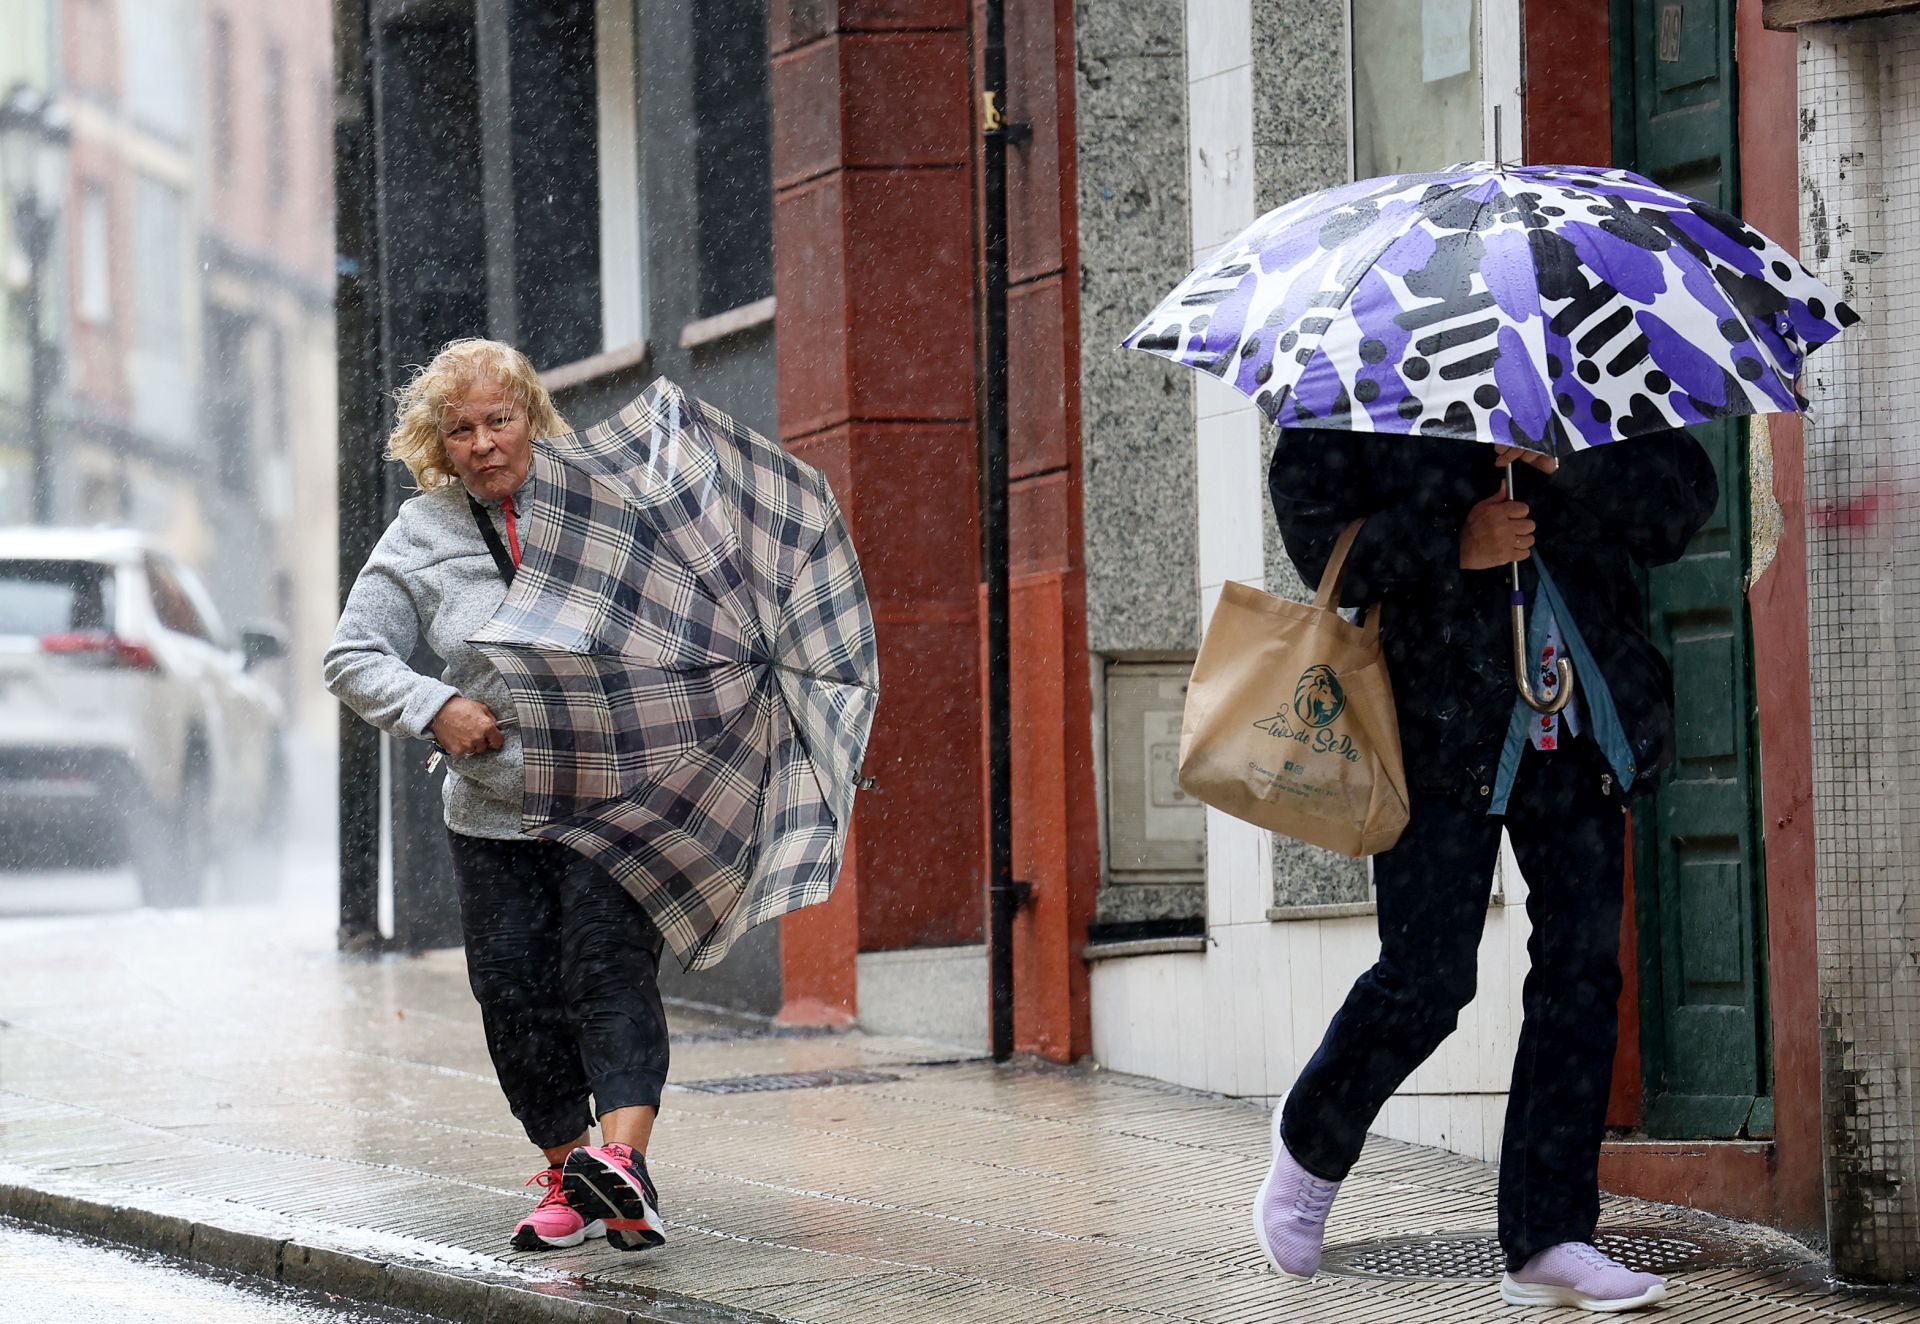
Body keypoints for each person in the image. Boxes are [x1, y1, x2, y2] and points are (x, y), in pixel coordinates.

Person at [1255, 425, 1717, 1313]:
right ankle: (1312, 1145)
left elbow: (1679, 507)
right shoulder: (1381, 376)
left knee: (1581, 980)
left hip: (1581, 726)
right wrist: (1450, 542)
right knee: (1426, 978)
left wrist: (1568, 465)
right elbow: (1317, 539)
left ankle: (1547, 1237)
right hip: (1434, 728)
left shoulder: (1589, 359)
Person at [324, 339, 669, 1254]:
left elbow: (678, 615)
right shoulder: (425, 532)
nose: (483, 443)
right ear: (439, 444)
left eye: (499, 419)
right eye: (461, 429)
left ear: (532, 418)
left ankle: (624, 1169)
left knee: (608, 972)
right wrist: (435, 707)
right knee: (515, 999)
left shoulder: (605, 502)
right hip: (492, 812)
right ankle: (569, 1174)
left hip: (605, 795)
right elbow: (351, 655)